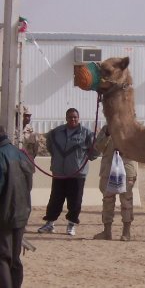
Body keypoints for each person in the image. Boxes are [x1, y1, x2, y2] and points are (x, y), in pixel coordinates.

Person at [37, 108, 98, 236]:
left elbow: (95, 152)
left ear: (79, 118)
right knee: (55, 199)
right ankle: (50, 223)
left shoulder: (87, 134)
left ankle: (71, 224)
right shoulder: (56, 132)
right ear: (66, 118)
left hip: (77, 174)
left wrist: (81, 160)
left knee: (75, 201)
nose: (73, 119)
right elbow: (50, 146)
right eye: (70, 117)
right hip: (59, 172)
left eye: (75, 117)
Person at [0, 125, 33, 288]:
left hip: (4, 216)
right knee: (15, 258)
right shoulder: (19, 154)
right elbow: (29, 183)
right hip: (21, 213)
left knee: (2, 258)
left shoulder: (0, 155)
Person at [93, 125, 137, 241]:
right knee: (107, 200)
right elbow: (98, 147)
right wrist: (107, 134)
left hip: (125, 170)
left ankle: (126, 232)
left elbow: (138, 148)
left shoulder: (131, 128)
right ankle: (107, 232)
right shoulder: (107, 129)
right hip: (108, 169)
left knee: (126, 201)